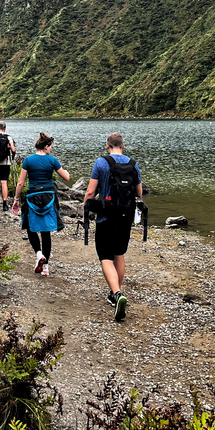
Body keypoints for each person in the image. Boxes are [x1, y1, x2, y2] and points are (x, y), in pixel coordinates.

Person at [83, 132, 142, 321]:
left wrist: (85, 212)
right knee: (119, 254)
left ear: (107, 145)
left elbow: (91, 191)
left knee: (105, 256)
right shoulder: (133, 164)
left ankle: (117, 294)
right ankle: (115, 293)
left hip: (105, 217)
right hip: (125, 217)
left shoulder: (101, 162)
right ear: (123, 146)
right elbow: (139, 192)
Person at [13, 132, 70, 277]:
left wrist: (16, 199)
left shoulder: (28, 160)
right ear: (46, 147)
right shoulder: (52, 160)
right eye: (51, 147)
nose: (51, 149)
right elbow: (67, 178)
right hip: (49, 197)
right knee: (46, 232)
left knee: (30, 227)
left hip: (32, 197)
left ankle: (38, 254)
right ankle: (46, 268)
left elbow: (21, 182)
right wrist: (65, 170)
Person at [0, 121, 16, 211]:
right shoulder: (8, 137)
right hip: (5, 163)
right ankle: (4, 203)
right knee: (4, 182)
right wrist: (13, 156)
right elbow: (13, 150)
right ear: (5, 128)